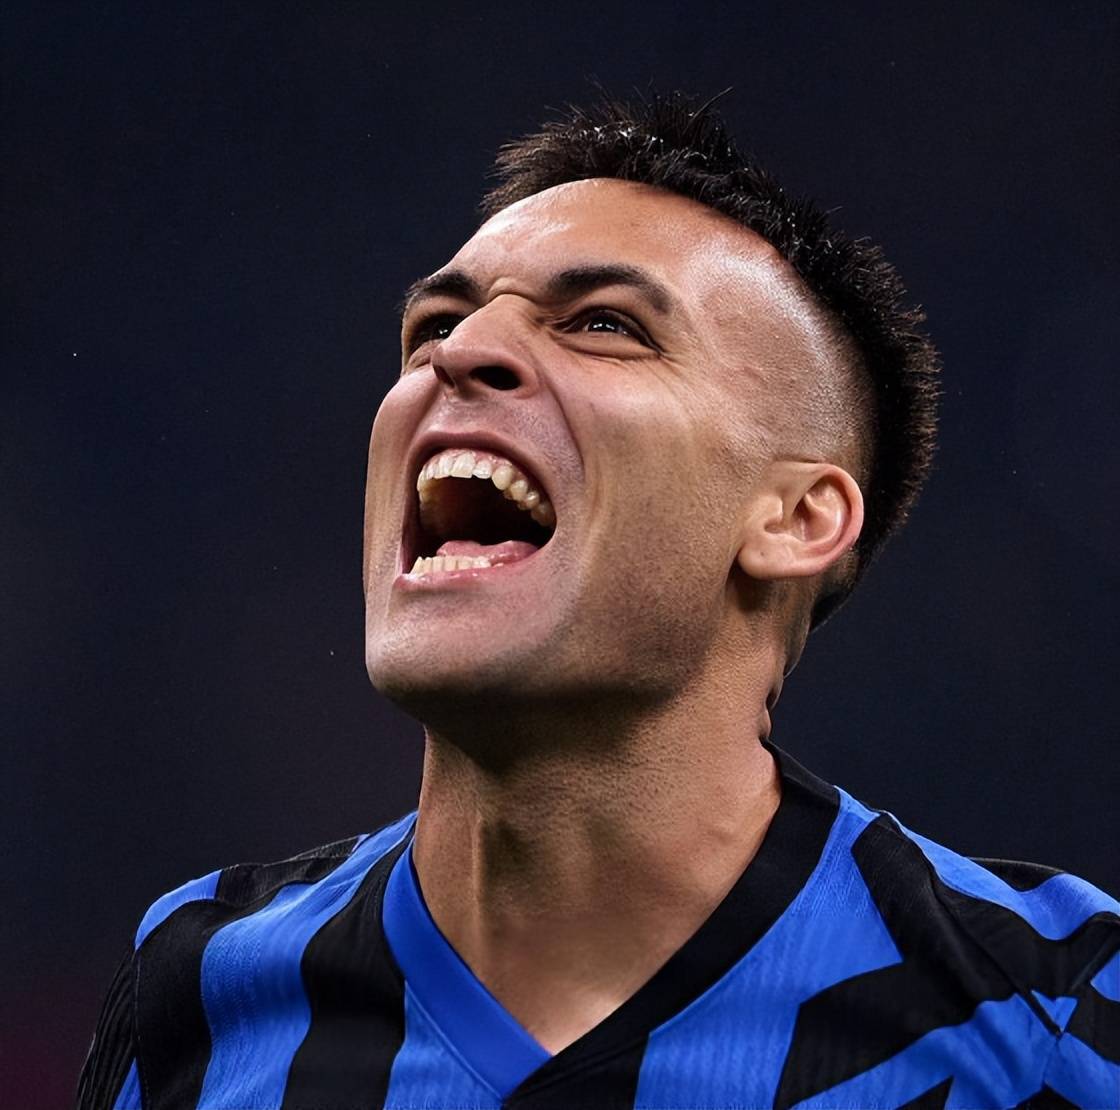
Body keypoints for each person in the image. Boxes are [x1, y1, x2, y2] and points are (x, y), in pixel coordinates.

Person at [79, 92, 1118, 1110]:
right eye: (437, 322)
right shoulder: (197, 997)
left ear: (796, 520)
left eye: (605, 325)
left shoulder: (1053, 1009)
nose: (458, 353)